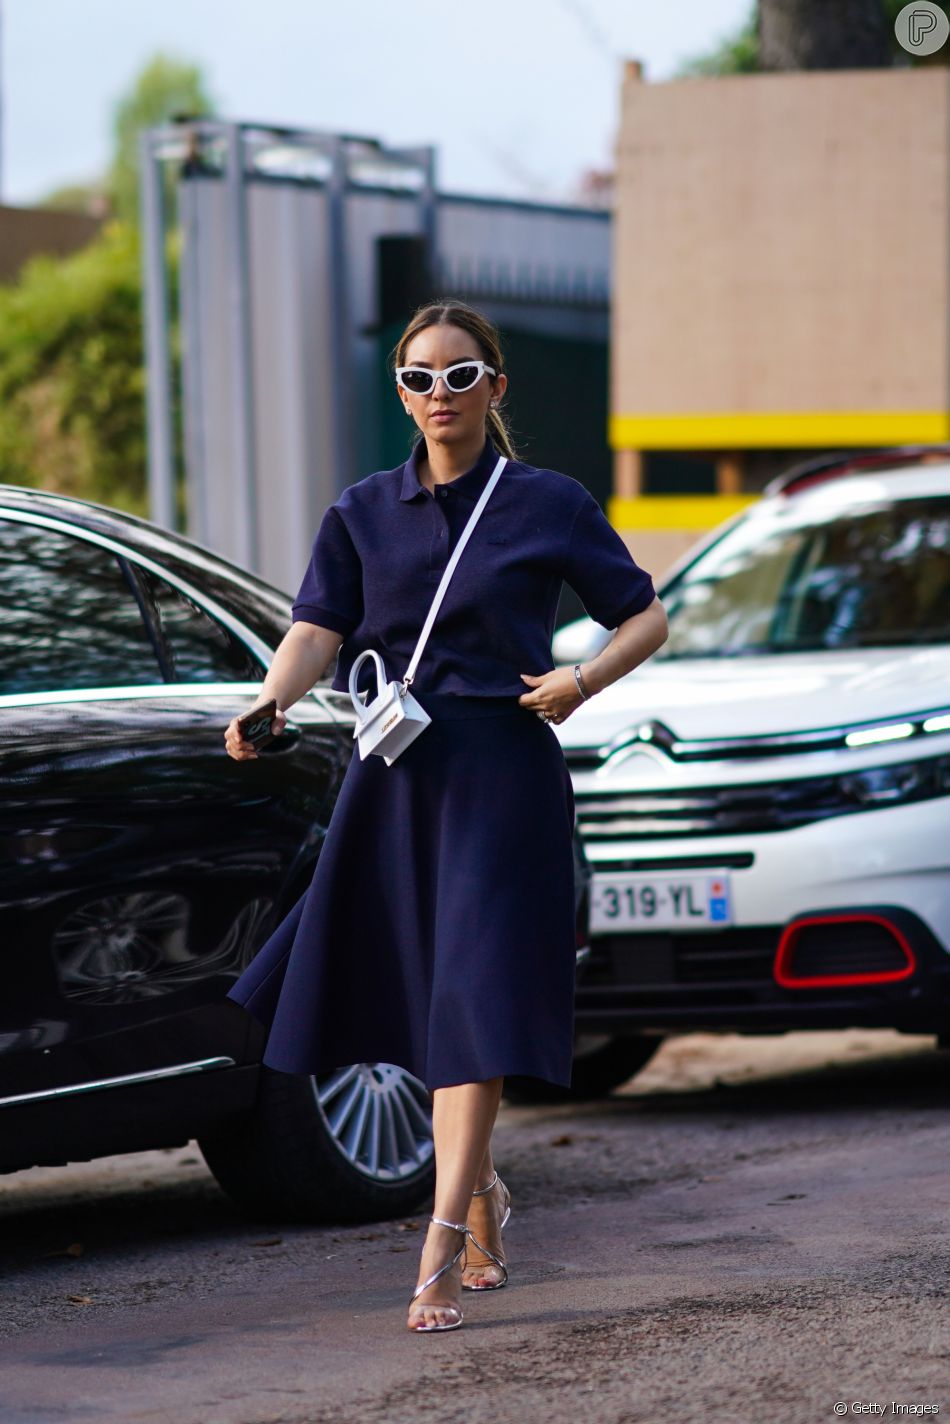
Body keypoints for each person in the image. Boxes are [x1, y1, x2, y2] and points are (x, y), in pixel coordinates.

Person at [223, 299, 668, 1333]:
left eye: (459, 376)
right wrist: (268, 699)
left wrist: (582, 678)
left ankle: (437, 1240)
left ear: (494, 387)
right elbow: (314, 627)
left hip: (500, 775)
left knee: (470, 996)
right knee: (426, 996)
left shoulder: (545, 502)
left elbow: (643, 612)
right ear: (400, 390)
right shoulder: (362, 509)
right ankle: (480, 1191)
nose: (438, 395)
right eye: (419, 377)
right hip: (394, 777)